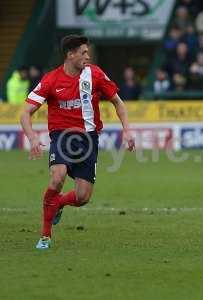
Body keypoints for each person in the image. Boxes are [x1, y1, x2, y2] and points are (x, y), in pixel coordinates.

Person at [20, 35, 135, 250]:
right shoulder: (51, 80)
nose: (88, 56)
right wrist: (33, 137)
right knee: (57, 178)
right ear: (70, 54)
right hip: (62, 136)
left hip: (89, 139)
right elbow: (25, 113)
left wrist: (127, 131)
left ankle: (58, 204)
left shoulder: (96, 75)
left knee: (82, 197)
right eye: (83, 52)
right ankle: (45, 235)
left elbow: (118, 104)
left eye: (88, 52)